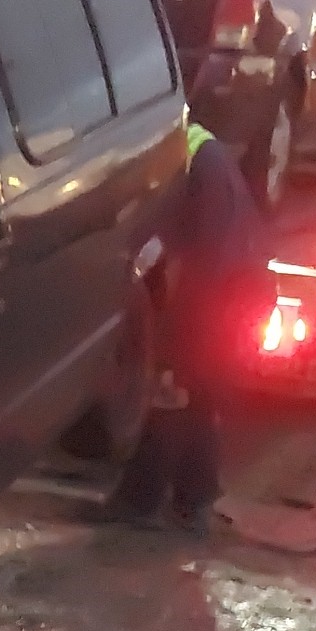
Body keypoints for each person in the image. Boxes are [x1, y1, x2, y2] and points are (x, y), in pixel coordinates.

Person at [99, 121, 269, 534]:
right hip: (236, 286)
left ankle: (141, 502)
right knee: (195, 397)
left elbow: (192, 261)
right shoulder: (194, 152)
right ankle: (191, 501)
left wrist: (175, 340)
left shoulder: (183, 162)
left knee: (173, 391)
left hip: (218, 295)